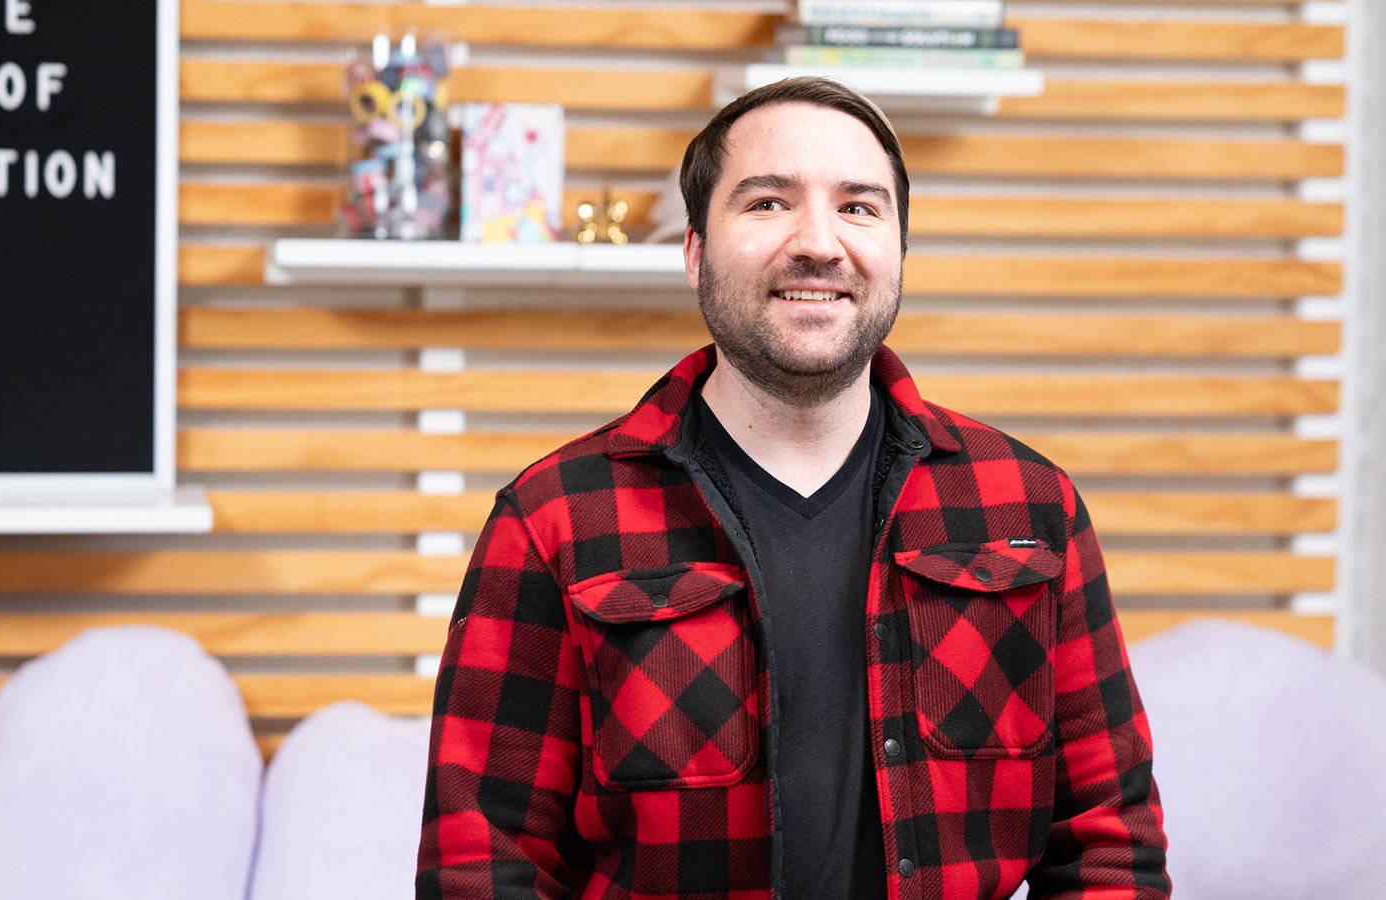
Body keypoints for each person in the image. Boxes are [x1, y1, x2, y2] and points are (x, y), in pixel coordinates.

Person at [416, 76, 1168, 899]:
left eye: (859, 207)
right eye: (769, 203)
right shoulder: (552, 520)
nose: (819, 242)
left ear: (899, 252)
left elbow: (1110, 847)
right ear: (696, 252)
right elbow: (481, 866)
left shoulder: (1031, 508)